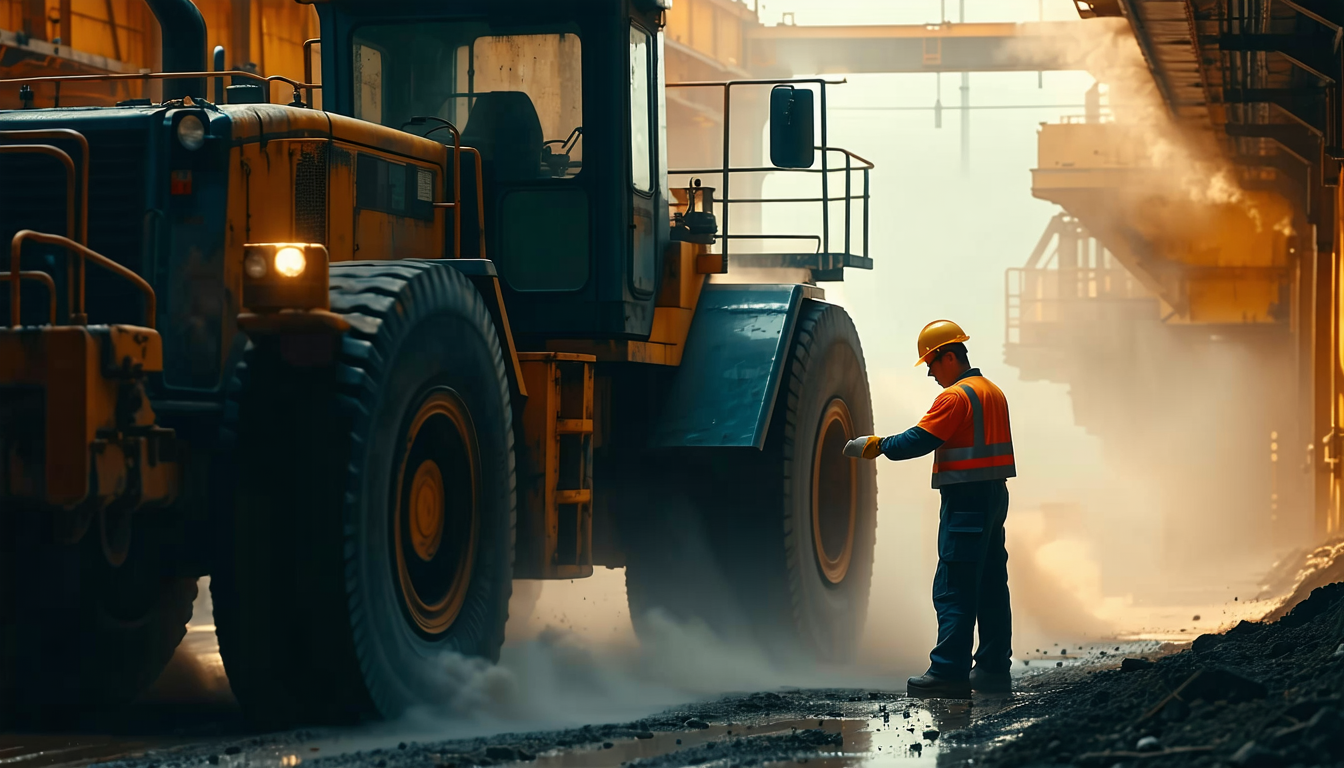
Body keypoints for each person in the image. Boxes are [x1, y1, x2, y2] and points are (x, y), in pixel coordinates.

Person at [844, 320, 1015, 698]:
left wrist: (877, 444)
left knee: (954, 586)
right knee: (990, 585)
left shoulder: (956, 397)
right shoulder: (993, 392)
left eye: (932, 364)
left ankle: (948, 672)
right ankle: (992, 671)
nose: (931, 374)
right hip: (994, 497)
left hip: (965, 501)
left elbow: (919, 440)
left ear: (949, 356)